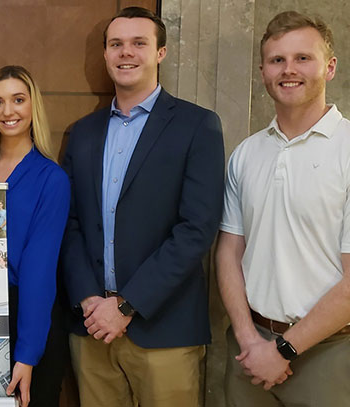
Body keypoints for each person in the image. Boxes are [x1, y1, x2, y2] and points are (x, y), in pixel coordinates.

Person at [60, 7, 225, 407]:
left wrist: (129, 304)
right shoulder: (82, 133)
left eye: (139, 43)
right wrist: (88, 300)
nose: (126, 53)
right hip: (91, 327)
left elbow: (196, 229)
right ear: (105, 54)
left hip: (164, 329)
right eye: (116, 44)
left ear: (161, 52)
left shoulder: (197, 126)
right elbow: (69, 224)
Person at [216, 11, 350, 406]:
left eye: (302, 58)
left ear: (329, 67)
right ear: (262, 71)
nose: (288, 70)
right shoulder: (247, 153)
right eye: (277, 60)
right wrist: (248, 339)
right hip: (250, 347)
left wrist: (284, 350)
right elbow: (229, 251)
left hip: (328, 353)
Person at [0, 64, 70, 407]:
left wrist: (28, 354)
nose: (8, 111)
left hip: (27, 316)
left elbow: (40, 271)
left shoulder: (52, 179)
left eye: (18, 100)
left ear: (33, 106)